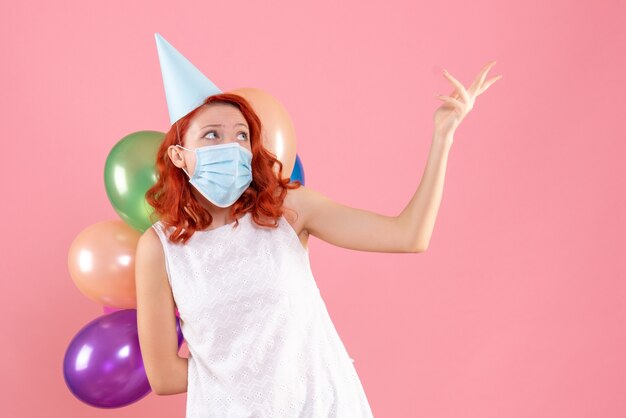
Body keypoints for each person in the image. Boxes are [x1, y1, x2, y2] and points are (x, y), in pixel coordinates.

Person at [136, 33, 501, 418]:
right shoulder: (160, 247)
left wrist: (443, 137)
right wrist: (252, 380)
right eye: (212, 135)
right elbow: (163, 376)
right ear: (179, 155)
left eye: (241, 136)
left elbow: (409, 236)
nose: (230, 146)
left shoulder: (288, 211)